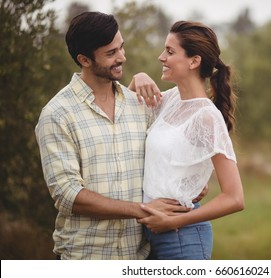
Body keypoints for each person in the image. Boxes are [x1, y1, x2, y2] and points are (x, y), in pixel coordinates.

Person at [34, 12, 192, 260]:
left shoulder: (138, 106)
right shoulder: (57, 115)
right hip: (85, 258)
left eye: (121, 48)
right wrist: (142, 210)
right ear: (84, 59)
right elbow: (69, 196)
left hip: (139, 258)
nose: (122, 58)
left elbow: (164, 160)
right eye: (111, 53)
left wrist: (190, 183)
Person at [130, 21, 245, 260]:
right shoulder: (169, 100)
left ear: (194, 61)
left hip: (182, 238)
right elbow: (124, 114)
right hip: (148, 235)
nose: (161, 57)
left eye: (170, 52)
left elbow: (234, 198)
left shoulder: (207, 117)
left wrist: (175, 220)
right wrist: (136, 79)